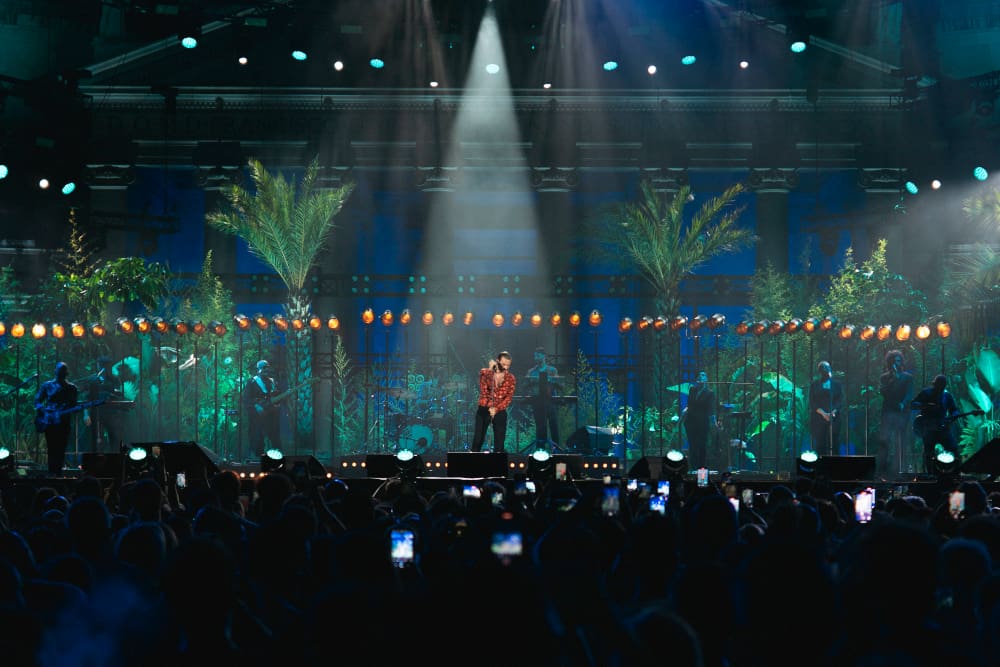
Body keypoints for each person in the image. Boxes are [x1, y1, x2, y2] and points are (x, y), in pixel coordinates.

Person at [34, 361, 80, 475]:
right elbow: (37, 401)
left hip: (64, 422)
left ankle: (57, 473)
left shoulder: (72, 388)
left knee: (61, 448)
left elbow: (74, 405)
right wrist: (43, 411)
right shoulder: (47, 385)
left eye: (63, 371)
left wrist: (68, 409)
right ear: (55, 372)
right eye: (59, 371)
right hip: (49, 422)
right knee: (51, 448)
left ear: (66, 373)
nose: (61, 374)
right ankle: (51, 473)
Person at [912, 374, 960, 473]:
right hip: (928, 428)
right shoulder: (926, 393)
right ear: (935, 384)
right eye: (939, 385)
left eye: (943, 385)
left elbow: (954, 409)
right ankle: (930, 473)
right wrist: (927, 406)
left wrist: (952, 417)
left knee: (953, 449)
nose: (941, 387)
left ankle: (954, 473)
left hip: (943, 428)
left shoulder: (947, 395)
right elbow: (913, 404)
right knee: (929, 452)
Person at [877, 349, 914, 477]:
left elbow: (909, 394)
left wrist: (903, 404)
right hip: (888, 412)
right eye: (893, 361)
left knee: (901, 440)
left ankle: (900, 468)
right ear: (889, 362)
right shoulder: (885, 377)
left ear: (901, 362)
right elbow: (883, 392)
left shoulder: (908, 377)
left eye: (898, 361)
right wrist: (893, 379)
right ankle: (882, 470)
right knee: (884, 440)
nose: (896, 363)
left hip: (902, 413)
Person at [470, 351, 516, 453]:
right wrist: (491, 371)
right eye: (504, 364)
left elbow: (508, 398)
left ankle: (498, 465)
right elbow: (484, 390)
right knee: (478, 439)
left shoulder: (510, 378)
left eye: (508, 365)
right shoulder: (485, 373)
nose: (506, 367)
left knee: (499, 444)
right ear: (497, 361)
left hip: (499, 411)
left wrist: (496, 408)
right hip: (484, 409)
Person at [84, 356, 128, 453]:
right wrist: (86, 414)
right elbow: (87, 398)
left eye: (107, 366)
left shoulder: (114, 380)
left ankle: (115, 461)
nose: (104, 368)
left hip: (112, 414)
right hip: (96, 414)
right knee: (95, 440)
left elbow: (120, 394)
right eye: (102, 365)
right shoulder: (93, 379)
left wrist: (112, 394)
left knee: (115, 439)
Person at [682, 370, 719, 469]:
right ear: (697, 379)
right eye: (700, 375)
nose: (702, 377)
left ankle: (701, 467)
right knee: (693, 444)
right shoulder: (692, 390)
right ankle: (692, 467)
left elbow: (711, 409)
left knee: (702, 445)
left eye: (704, 375)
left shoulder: (710, 393)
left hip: (702, 423)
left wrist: (714, 422)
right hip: (691, 422)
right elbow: (690, 405)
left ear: (706, 379)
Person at [245, 360, 282, 458]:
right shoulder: (252, 381)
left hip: (272, 414)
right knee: (258, 436)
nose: (266, 370)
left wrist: (278, 402)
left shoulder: (272, 381)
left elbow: (276, 396)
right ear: (259, 369)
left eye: (267, 368)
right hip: (258, 416)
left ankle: (276, 457)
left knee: (274, 436)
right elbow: (247, 399)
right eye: (264, 368)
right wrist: (256, 406)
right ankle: (258, 458)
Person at [525, 346, 561, 447]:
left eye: (538, 355)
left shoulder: (552, 370)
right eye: (535, 356)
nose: (536, 358)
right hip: (537, 402)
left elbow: (558, 384)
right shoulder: (531, 372)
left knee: (553, 425)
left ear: (544, 356)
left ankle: (556, 448)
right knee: (540, 426)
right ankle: (540, 449)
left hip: (550, 401)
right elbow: (527, 386)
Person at [808, 360, 843, 455]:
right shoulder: (814, 385)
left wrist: (832, 412)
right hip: (818, 419)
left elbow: (840, 400)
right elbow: (812, 402)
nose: (827, 371)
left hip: (834, 418)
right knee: (820, 444)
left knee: (835, 443)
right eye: (824, 369)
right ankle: (820, 466)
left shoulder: (837, 384)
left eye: (828, 368)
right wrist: (823, 414)